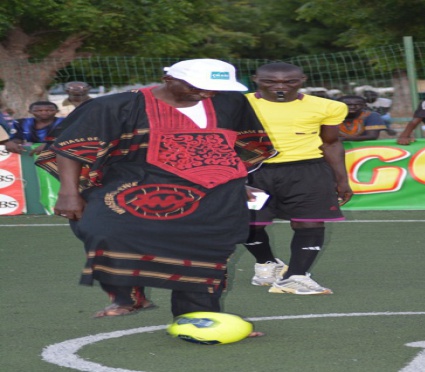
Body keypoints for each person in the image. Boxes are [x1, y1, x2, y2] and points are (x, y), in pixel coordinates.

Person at [35, 59, 277, 326]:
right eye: (199, 87)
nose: (208, 94)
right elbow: (70, 149)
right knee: (100, 228)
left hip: (210, 190)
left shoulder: (230, 102)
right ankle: (128, 293)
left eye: (215, 88)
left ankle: (199, 317)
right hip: (134, 181)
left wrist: (235, 181)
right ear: (169, 79)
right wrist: (68, 193)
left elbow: (238, 148)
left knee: (205, 249)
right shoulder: (116, 105)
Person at [243, 62, 353, 295]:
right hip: (253, 172)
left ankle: (296, 276)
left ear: (303, 80)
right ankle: (267, 263)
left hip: (307, 171)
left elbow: (331, 143)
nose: (280, 86)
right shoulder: (239, 104)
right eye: (270, 81)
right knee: (248, 224)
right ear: (256, 79)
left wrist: (342, 180)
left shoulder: (329, 106)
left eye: (289, 81)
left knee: (310, 222)